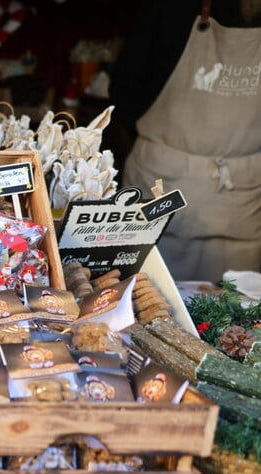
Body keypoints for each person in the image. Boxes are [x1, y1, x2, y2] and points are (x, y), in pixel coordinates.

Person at [110, 0, 261, 281]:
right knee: (147, 299)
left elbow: (123, 90)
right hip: (162, 181)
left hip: (241, 198)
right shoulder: (171, 7)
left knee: (235, 313)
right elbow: (124, 90)